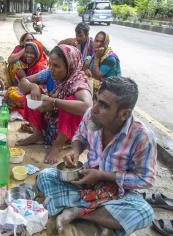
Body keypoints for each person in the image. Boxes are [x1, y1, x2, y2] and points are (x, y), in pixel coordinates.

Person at [36, 77, 157, 235]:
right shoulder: (91, 115)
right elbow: (79, 137)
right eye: (96, 100)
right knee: (45, 175)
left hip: (118, 194)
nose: (94, 109)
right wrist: (75, 151)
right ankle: (102, 217)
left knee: (144, 212)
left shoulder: (142, 137)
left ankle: (78, 212)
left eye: (104, 105)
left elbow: (146, 179)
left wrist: (103, 175)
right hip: (85, 182)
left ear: (124, 114)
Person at [16, 45, 92, 164]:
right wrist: (33, 86)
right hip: (50, 123)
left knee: (71, 102)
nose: (51, 69)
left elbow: (87, 106)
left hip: (69, 133)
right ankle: (38, 134)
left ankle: (57, 146)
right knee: (32, 94)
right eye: (50, 64)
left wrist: (54, 103)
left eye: (56, 66)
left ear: (70, 66)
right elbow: (22, 83)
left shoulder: (78, 82)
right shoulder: (49, 72)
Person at [6, 39, 48, 110]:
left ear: (38, 53)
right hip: (28, 91)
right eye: (27, 52)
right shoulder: (31, 63)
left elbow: (40, 91)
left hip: (37, 98)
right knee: (10, 91)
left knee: (11, 95)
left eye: (32, 53)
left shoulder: (40, 67)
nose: (28, 55)